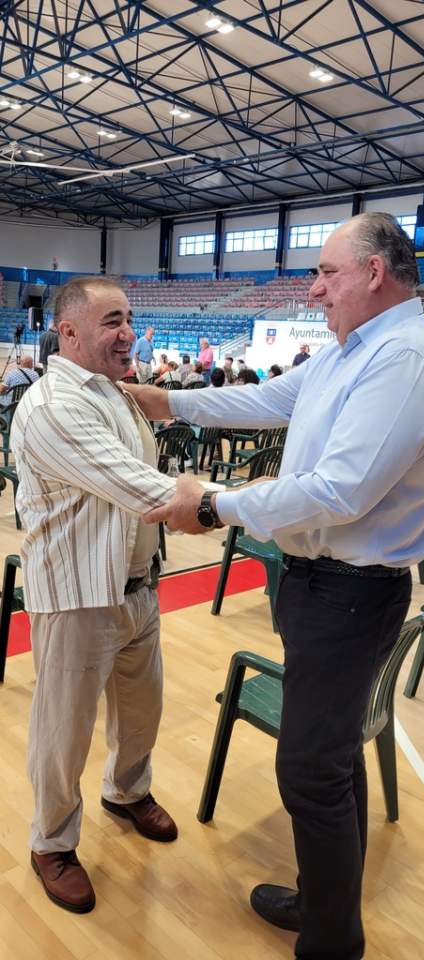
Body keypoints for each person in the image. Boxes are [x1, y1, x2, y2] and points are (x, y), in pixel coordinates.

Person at [123, 213, 424, 960]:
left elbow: (339, 491)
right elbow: (269, 400)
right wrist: (166, 401)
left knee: (309, 771)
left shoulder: (406, 357)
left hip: (350, 592)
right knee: (331, 758)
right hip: (322, 586)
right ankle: (326, 904)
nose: (313, 288)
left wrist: (212, 504)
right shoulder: (352, 351)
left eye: (326, 272)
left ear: (374, 273)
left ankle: (331, 941)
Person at [10, 277, 179, 916]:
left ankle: (126, 792)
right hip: (77, 594)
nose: (128, 332)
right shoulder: (53, 404)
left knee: (142, 711)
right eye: (112, 321)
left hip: (136, 586)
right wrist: (235, 504)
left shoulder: (113, 390)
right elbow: (138, 486)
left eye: (129, 318)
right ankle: (51, 841)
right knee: (64, 730)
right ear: (70, 332)